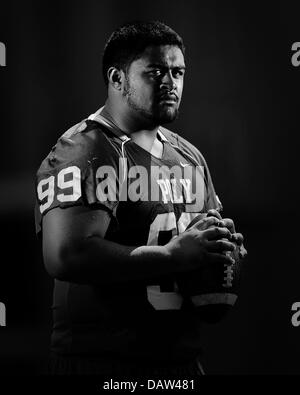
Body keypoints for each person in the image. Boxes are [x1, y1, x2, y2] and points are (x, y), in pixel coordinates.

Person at [35, 20, 247, 377]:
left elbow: (206, 245)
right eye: (156, 72)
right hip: (101, 362)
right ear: (117, 79)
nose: (170, 82)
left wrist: (223, 253)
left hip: (179, 362)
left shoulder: (189, 156)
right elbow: (65, 255)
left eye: (178, 72)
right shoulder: (84, 149)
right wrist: (171, 256)